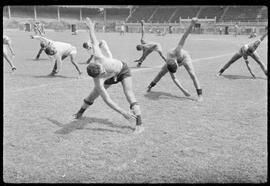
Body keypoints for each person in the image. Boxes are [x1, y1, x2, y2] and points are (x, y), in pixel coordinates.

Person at [74, 17, 144, 134]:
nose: (103, 73)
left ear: (99, 65)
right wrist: (122, 112)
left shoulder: (98, 57)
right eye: (101, 74)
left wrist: (91, 28)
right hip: (111, 78)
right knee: (92, 96)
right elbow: (107, 99)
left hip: (122, 70)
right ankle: (79, 113)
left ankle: (140, 124)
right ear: (96, 77)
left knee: (129, 94)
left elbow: (94, 41)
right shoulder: (98, 80)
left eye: (102, 71)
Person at [146, 18, 203, 102]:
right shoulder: (169, 62)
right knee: (161, 73)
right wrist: (183, 90)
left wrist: (191, 24)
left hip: (184, 58)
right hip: (174, 61)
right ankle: (150, 86)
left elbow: (184, 37)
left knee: (192, 74)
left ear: (176, 63)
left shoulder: (177, 51)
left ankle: (200, 95)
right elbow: (174, 78)